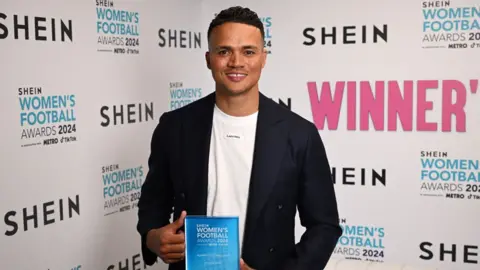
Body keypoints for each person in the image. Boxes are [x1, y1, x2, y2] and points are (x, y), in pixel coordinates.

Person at [136, 6, 342, 270]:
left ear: (263, 58)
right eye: (224, 51)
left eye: (248, 51)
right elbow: (153, 203)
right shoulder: (174, 126)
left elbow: (324, 226)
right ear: (208, 58)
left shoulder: (300, 134)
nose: (236, 62)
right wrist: (153, 237)